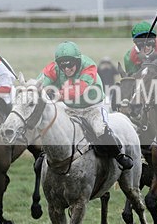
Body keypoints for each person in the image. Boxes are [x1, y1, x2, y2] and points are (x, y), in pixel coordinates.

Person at [39, 41, 133, 170]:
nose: (66, 69)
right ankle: (44, 155)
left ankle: (118, 156)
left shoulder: (89, 66)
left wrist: (56, 95)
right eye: (63, 66)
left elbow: (79, 89)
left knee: (100, 130)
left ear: (77, 62)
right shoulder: (54, 68)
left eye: (70, 65)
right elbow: (42, 81)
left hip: (93, 107)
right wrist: (35, 90)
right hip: (70, 108)